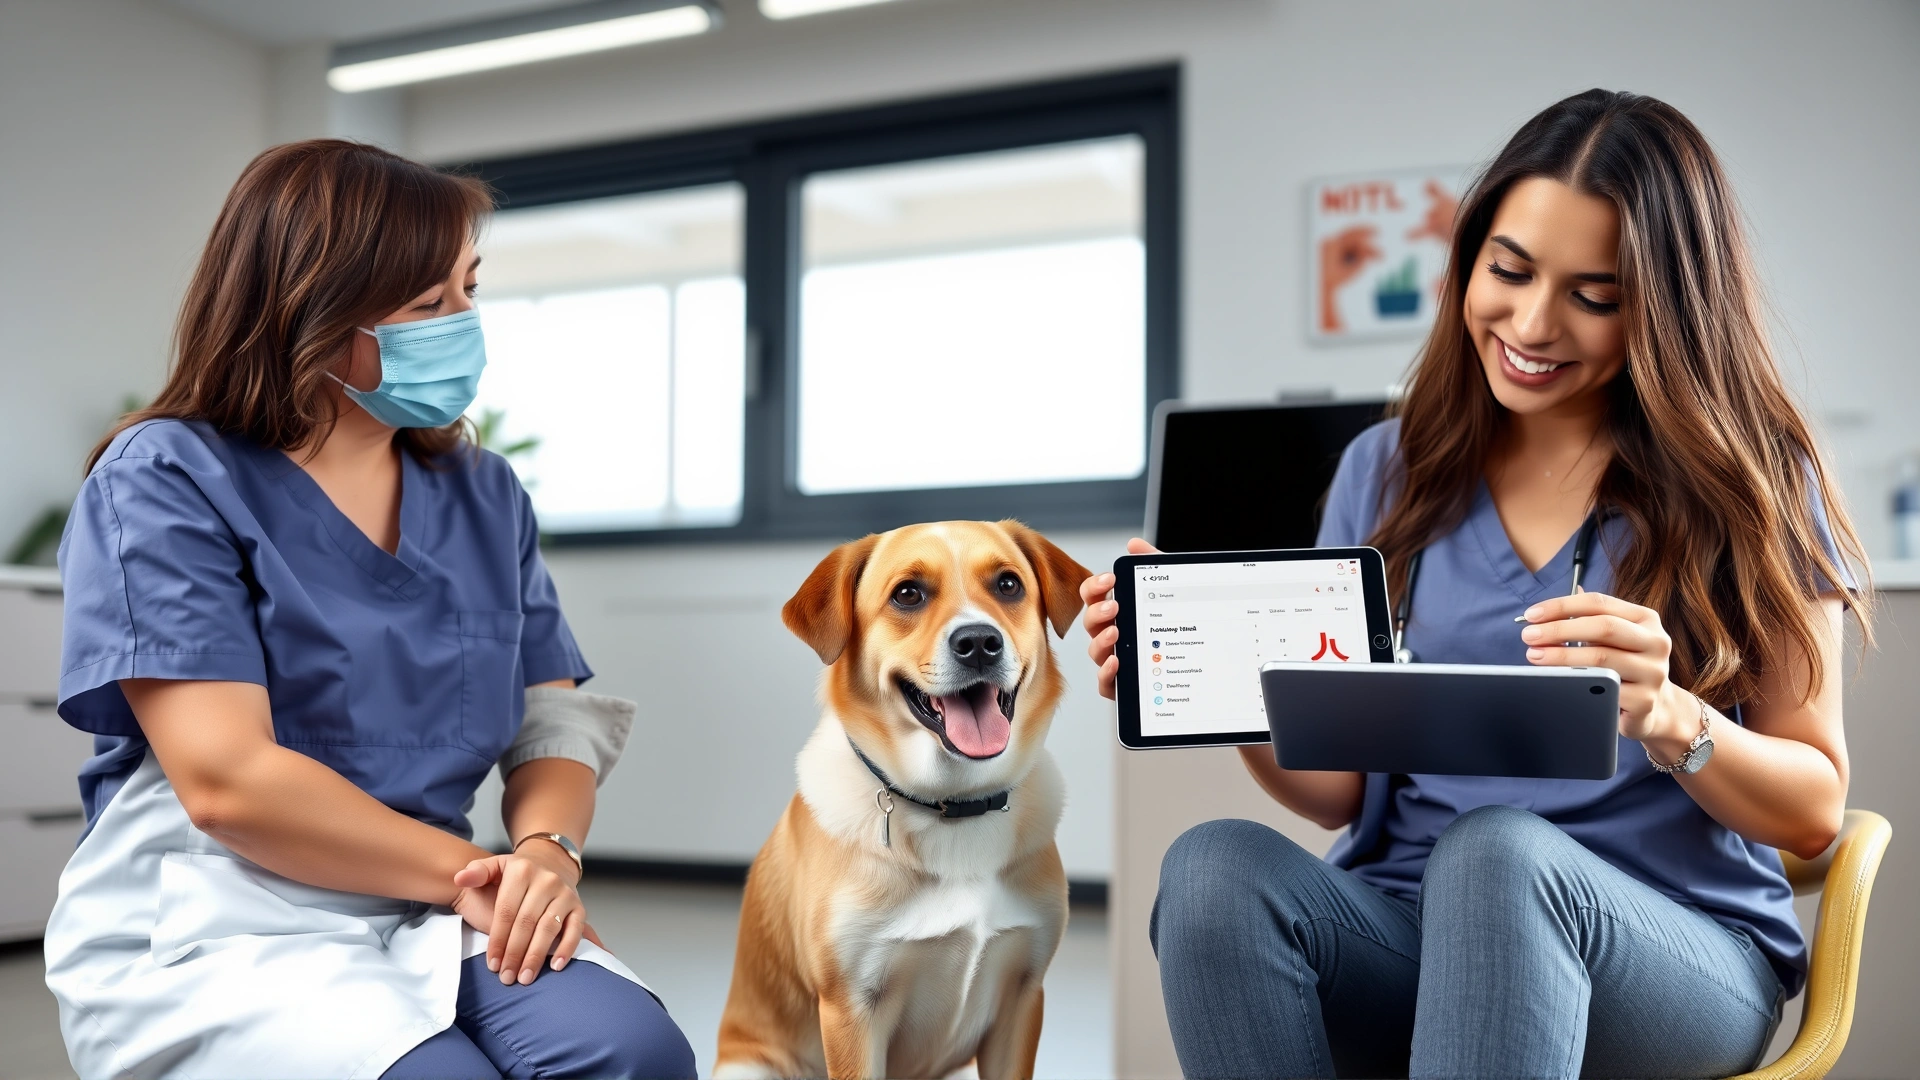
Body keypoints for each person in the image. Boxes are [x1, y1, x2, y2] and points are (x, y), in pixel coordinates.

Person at [1081, 90, 1869, 1079]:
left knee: (1499, 856)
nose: (1532, 323)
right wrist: (1222, 681)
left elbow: (1813, 811)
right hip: (1409, 928)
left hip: (1671, 948)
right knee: (1213, 869)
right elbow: (1336, 795)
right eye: (1510, 270)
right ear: (1469, 261)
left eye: (1594, 294)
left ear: (1665, 308)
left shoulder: (1756, 479)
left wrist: (1671, 716)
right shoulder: (1385, 468)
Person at [44, 140, 696, 1079]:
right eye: (429, 305)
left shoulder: (483, 493)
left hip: (430, 901)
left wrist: (548, 853)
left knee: (632, 1053)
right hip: (222, 909)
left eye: (469, 290)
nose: (463, 322)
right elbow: (229, 782)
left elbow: (555, 711)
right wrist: (483, 879)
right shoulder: (167, 478)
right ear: (309, 307)